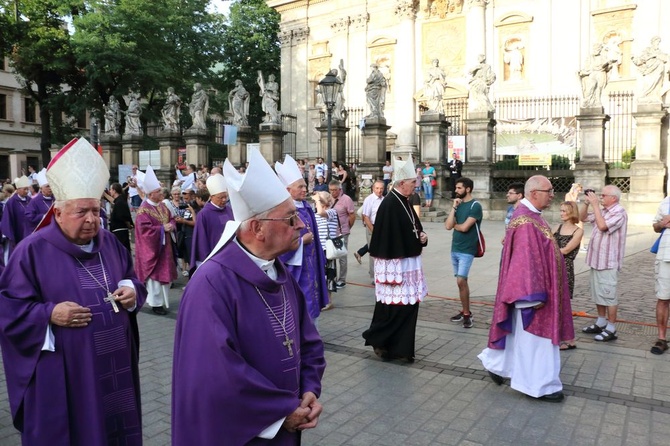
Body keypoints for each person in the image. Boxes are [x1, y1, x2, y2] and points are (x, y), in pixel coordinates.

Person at [172, 148, 325, 445]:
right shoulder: (212, 284)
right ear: (257, 228)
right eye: (290, 219)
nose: (302, 225)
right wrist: (281, 412)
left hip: (288, 419)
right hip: (241, 432)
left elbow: (308, 340)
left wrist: (309, 388)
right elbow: (215, 373)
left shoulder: (278, 272)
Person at [0, 137, 146, 444]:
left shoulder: (112, 245)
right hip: (65, 374)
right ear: (58, 213)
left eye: (96, 209)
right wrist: (49, 312)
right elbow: (8, 309)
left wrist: (133, 292)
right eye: (82, 212)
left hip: (115, 365)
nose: (92, 219)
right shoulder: (31, 252)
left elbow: (133, 280)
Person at [479, 175, 574, 403]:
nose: (552, 195)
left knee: (517, 335)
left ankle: (497, 364)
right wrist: (531, 296)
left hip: (538, 290)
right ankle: (538, 385)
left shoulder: (531, 216)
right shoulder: (526, 222)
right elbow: (525, 261)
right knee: (534, 339)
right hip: (533, 294)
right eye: (548, 191)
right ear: (534, 193)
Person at [362, 155, 428, 363]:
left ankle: (400, 348)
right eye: (412, 183)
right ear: (401, 183)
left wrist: (422, 237)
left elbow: (412, 228)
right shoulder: (391, 203)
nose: (415, 186)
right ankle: (383, 342)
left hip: (407, 262)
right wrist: (416, 240)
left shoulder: (405, 201)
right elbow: (390, 237)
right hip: (397, 265)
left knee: (407, 307)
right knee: (395, 308)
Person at [276, 155, 329, 323]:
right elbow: (279, 245)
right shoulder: (282, 212)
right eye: (300, 187)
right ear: (287, 190)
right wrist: (300, 242)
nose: (304, 190)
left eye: (305, 186)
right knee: (299, 306)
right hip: (296, 269)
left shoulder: (306, 207)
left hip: (311, 264)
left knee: (311, 305)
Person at [579, 185, 628, 342]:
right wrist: (587, 203)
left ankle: (611, 328)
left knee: (609, 295)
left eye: (603, 195)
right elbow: (582, 218)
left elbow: (602, 226)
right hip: (596, 259)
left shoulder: (619, 212)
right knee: (598, 293)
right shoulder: (605, 211)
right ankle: (601, 322)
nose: (600, 197)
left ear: (613, 198)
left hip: (608, 261)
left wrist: (594, 205)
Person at [134, 166, 178, 315]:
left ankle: (163, 301)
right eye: (158, 191)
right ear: (151, 194)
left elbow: (171, 219)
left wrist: (171, 226)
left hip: (165, 248)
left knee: (163, 278)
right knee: (154, 279)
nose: (161, 192)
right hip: (153, 250)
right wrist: (161, 229)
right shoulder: (143, 210)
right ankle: (155, 303)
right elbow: (143, 231)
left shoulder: (163, 207)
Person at [445, 177, 482, 329]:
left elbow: (465, 227)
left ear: (468, 189)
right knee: (461, 282)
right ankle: (465, 311)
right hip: (455, 248)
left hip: (467, 249)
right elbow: (448, 225)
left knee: (461, 280)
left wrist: (455, 225)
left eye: (459, 188)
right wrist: (454, 208)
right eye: (456, 188)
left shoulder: (475, 206)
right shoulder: (458, 205)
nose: (456, 190)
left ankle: (467, 314)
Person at [552, 201, 583, 350]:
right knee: (553, 302)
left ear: (571, 212)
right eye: (561, 210)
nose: (561, 213)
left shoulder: (578, 231)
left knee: (563, 304)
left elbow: (565, 250)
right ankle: (555, 335)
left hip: (565, 268)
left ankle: (567, 339)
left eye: (564, 211)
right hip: (553, 266)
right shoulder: (557, 227)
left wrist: (548, 250)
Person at [190, 174, 233, 271]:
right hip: (214, 257)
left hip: (230, 254)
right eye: (220, 197)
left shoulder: (229, 210)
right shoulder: (204, 214)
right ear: (212, 197)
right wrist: (207, 259)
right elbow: (201, 239)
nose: (224, 200)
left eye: (225, 197)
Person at [313, 191, 339, 309]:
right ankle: (321, 298)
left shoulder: (332, 212)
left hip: (328, 249)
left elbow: (321, 212)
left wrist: (318, 199)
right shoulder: (315, 214)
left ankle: (329, 300)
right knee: (320, 274)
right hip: (319, 247)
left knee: (329, 274)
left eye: (318, 200)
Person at [651, 195, 670, 354]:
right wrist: (662, 223)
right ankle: (661, 339)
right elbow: (655, 227)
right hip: (665, 256)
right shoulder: (666, 201)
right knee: (663, 298)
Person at [355, 180, 384, 279]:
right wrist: (373, 231)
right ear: (373, 188)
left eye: (381, 188)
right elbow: (365, 216)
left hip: (382, 227)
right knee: (373, 251)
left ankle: (380, 272)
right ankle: (374, 276)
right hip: (372, 226)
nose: (379, 190)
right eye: (377, 188)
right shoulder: (369, 199)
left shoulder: (384, 200)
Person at [328, 179, 355, 288]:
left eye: (335, 190)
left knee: (342, 257)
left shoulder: (346, 199)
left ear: (340, 189)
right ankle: (332, 277)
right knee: (331, 256)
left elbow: (352, 215)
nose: (333, 192)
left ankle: (342, 279)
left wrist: (347, 228)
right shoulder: (328, 198)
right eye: (331, 190)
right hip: (330, 233)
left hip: (342, 232)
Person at [1, 175, 31, 264]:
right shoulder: (11, 202)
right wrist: (9, 235)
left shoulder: (30, 200)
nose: (26, 191)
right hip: (18, 231)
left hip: (29, 231)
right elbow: (7, 219)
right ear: (18, 189)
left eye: (27, 189)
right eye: (24, 189)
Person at [632, 36, 669, 104]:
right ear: (653, 42)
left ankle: (655, 96)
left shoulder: (659, 52)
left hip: (658, 70)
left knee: (657, 84)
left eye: (658, 42)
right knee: (649, 83)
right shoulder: (647, 50)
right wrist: (634, 59)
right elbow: (642, 59)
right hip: (649, 70)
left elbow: (665, 58)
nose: (658, 43)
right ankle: (645, 96)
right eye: (657, 42)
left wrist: (658, 56)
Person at [579, 43, 617, 108]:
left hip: (601, 73)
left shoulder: (603, 57)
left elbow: (607, 69)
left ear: (599, 50)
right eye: (594, 49)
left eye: (597, 49)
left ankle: (597, 101)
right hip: (593, 73)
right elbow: (587, 67)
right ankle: (587, 101)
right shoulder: (590, 57)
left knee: (599, 88)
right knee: (591, 87)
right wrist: (584, 71)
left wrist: (609, 65)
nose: (595, 51)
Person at [24, 168, 53, 234]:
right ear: (41, 188)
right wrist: (43, 216)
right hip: (42, 231)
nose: (50, 188)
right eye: (47, 186)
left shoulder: (56, 199)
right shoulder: (34, 201)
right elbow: (29, 216)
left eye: (51, 186)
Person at [107, 182, 134, 252]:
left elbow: (124, 216)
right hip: (117, 231)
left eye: (111, 189)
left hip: (120, 232)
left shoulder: (120, 202)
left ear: (114, 190)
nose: (110, 191)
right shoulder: (118, 201)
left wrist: (129, 225)